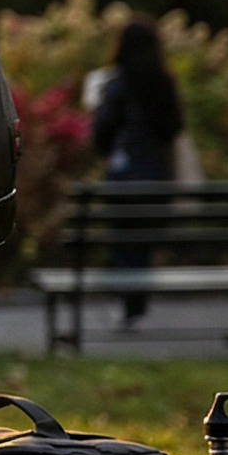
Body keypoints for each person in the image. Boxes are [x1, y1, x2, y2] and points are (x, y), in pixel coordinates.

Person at [89, 20, 184, 326]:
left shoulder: (118, 83)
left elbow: (102, 131)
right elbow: (174, 127)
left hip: (124, 173)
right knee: (143, 240)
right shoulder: (164, 83)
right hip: (155, 172)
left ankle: (128, 302)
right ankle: (138, 300)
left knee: (123, 239)